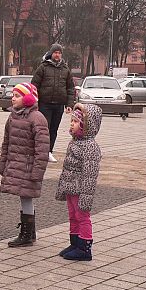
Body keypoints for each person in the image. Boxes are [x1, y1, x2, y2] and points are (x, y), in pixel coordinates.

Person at [0, 83, 49, 247]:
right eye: (13, 95)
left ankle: (27, 234)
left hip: (28, 167)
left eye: (17, 95)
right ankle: (29, 231)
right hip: (16, 165)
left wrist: (37, 172)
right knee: (24, 197)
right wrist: (3, 164)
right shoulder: (12, 117)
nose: (13, 98)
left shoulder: (37, 118)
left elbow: (42, 150)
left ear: (28, 98)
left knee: (26, 196)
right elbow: (6, 143)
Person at [56, 103, 102, 261]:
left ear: (86, 126)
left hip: (80, 189)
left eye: (75, 122)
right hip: (70, 187)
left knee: (82, 216)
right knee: (73, 216)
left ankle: (84, 247)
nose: (72, 124)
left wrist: (86, 196)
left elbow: (90, 174)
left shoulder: (90, 147)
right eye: (72, 121)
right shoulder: (74, 142)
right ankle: (75, 243)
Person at [31, 43, 75, 163]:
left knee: (54, 129)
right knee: (44, 128)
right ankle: (40, 151)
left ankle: (49, 151)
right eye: (55, 52)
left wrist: (69, 105)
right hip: (45, 104)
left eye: (59, 53)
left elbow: (70, 88)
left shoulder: (65, 69)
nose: (57, 55)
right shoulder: (43, 67)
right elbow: (34, 85)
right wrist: (34, 102)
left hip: (59, 105)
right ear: (51, 53)